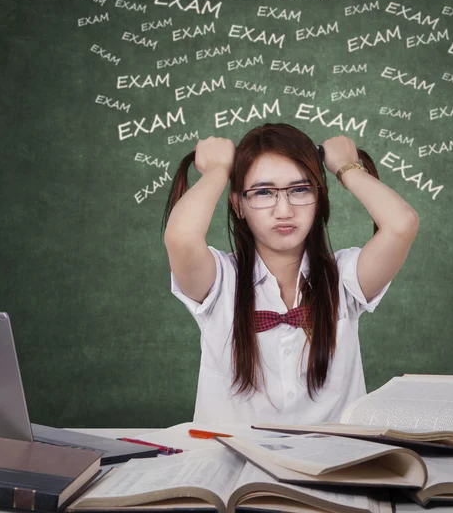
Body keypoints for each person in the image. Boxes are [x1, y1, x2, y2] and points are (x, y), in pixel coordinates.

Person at [161, 123, 419, 424]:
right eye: (263, 192)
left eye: (299, 189)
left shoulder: (344, 277)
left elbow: (402, 224)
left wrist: (347, 168)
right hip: (233, 464)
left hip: (334, 465)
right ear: (238, 204)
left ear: (319, 197)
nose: (284, 210)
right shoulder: (219, 280)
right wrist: (217, 170)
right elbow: (181, 238)